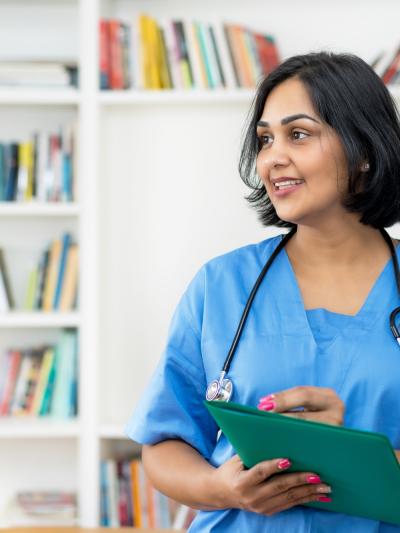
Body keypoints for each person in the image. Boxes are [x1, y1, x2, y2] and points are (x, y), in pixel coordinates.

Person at [125, 51, 400, 531]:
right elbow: (164, 445)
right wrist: (222, 489)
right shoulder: (221, 285)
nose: (272, 157)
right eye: (266, 139)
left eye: (298, 134)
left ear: (364, 151)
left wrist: (350, 453)